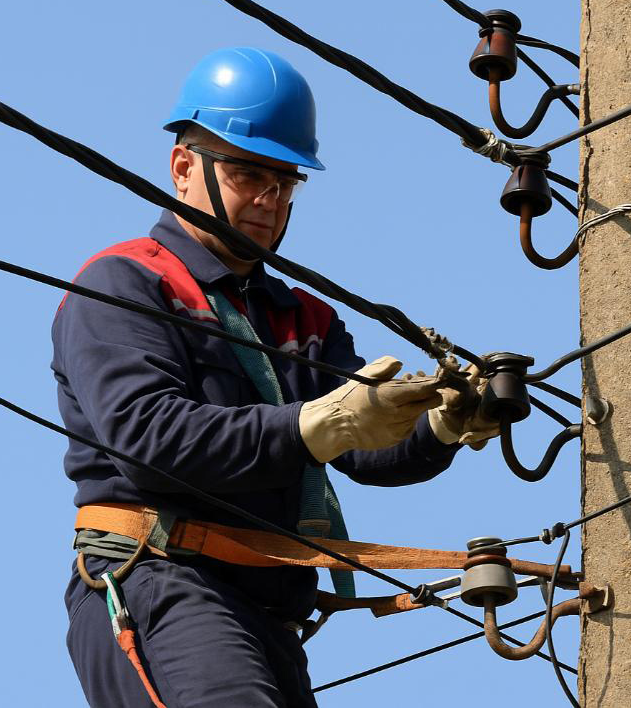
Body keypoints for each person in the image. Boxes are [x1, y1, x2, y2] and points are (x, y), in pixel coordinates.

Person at [53, 47, 497, 708]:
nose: (268, 199)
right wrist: (317, 423)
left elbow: (364, 447)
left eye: (286, 181)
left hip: (268, 613)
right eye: (246, 173)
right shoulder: (124, 283)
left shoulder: (302, 316)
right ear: (183, 168)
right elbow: (148, 441)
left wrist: (437, 424)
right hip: (161, 578)